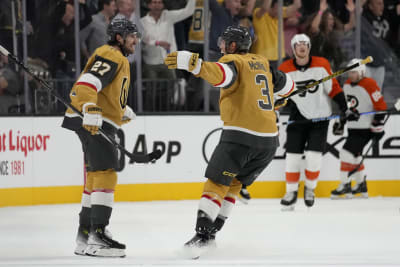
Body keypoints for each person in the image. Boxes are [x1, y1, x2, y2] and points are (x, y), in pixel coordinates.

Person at [165, 25, 295, 257]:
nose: (221, 45)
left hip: (240, 136)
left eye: (224, 42)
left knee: (216, 183)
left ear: (233, 45)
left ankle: (202, 236)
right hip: (268, 142)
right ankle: (211, 235)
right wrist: (281, 96)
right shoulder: (262, 62)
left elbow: (223, 76)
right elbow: (287, 84)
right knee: (233, 185)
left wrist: (195, 65)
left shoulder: (234, 61)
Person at [61, 18, 141, 257]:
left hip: (94, 120)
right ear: (119, 38)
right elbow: (87, 82)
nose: (135, 40)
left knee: (95, 178)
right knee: (106, 174)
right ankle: (98, 237)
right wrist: (88, 106)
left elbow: (104, 87)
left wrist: (119, 109)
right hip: (93, 121)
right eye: (131, 36)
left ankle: (84, 237)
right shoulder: (112, 54)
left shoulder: (115, 57)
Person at [277, 34, 359, 211]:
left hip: (320, 118)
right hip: (297, 117)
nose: (302, 47)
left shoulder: (321, 64)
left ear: (309, 47)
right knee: (292, 157)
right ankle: (291, 192)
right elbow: (279, 95)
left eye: (305, 44)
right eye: (298, 44)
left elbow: (334, 88)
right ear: (293, 48)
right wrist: (274, 109)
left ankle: (310, 189)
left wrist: (345, 108)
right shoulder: (285, 68)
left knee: (314, 157)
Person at [331, 58, 387, 199]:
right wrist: (342, 122)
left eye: (354, 72)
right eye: (349, 72)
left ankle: (345, 185)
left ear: (362, 72)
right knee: (355, 156)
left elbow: (381, 107)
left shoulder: (370, 84)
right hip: (353, 127)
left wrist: (377, 126)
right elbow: (347, 107)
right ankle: (361, 185)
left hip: (365, 128)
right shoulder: (347, 84)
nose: (351, 75)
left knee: (345, 153)